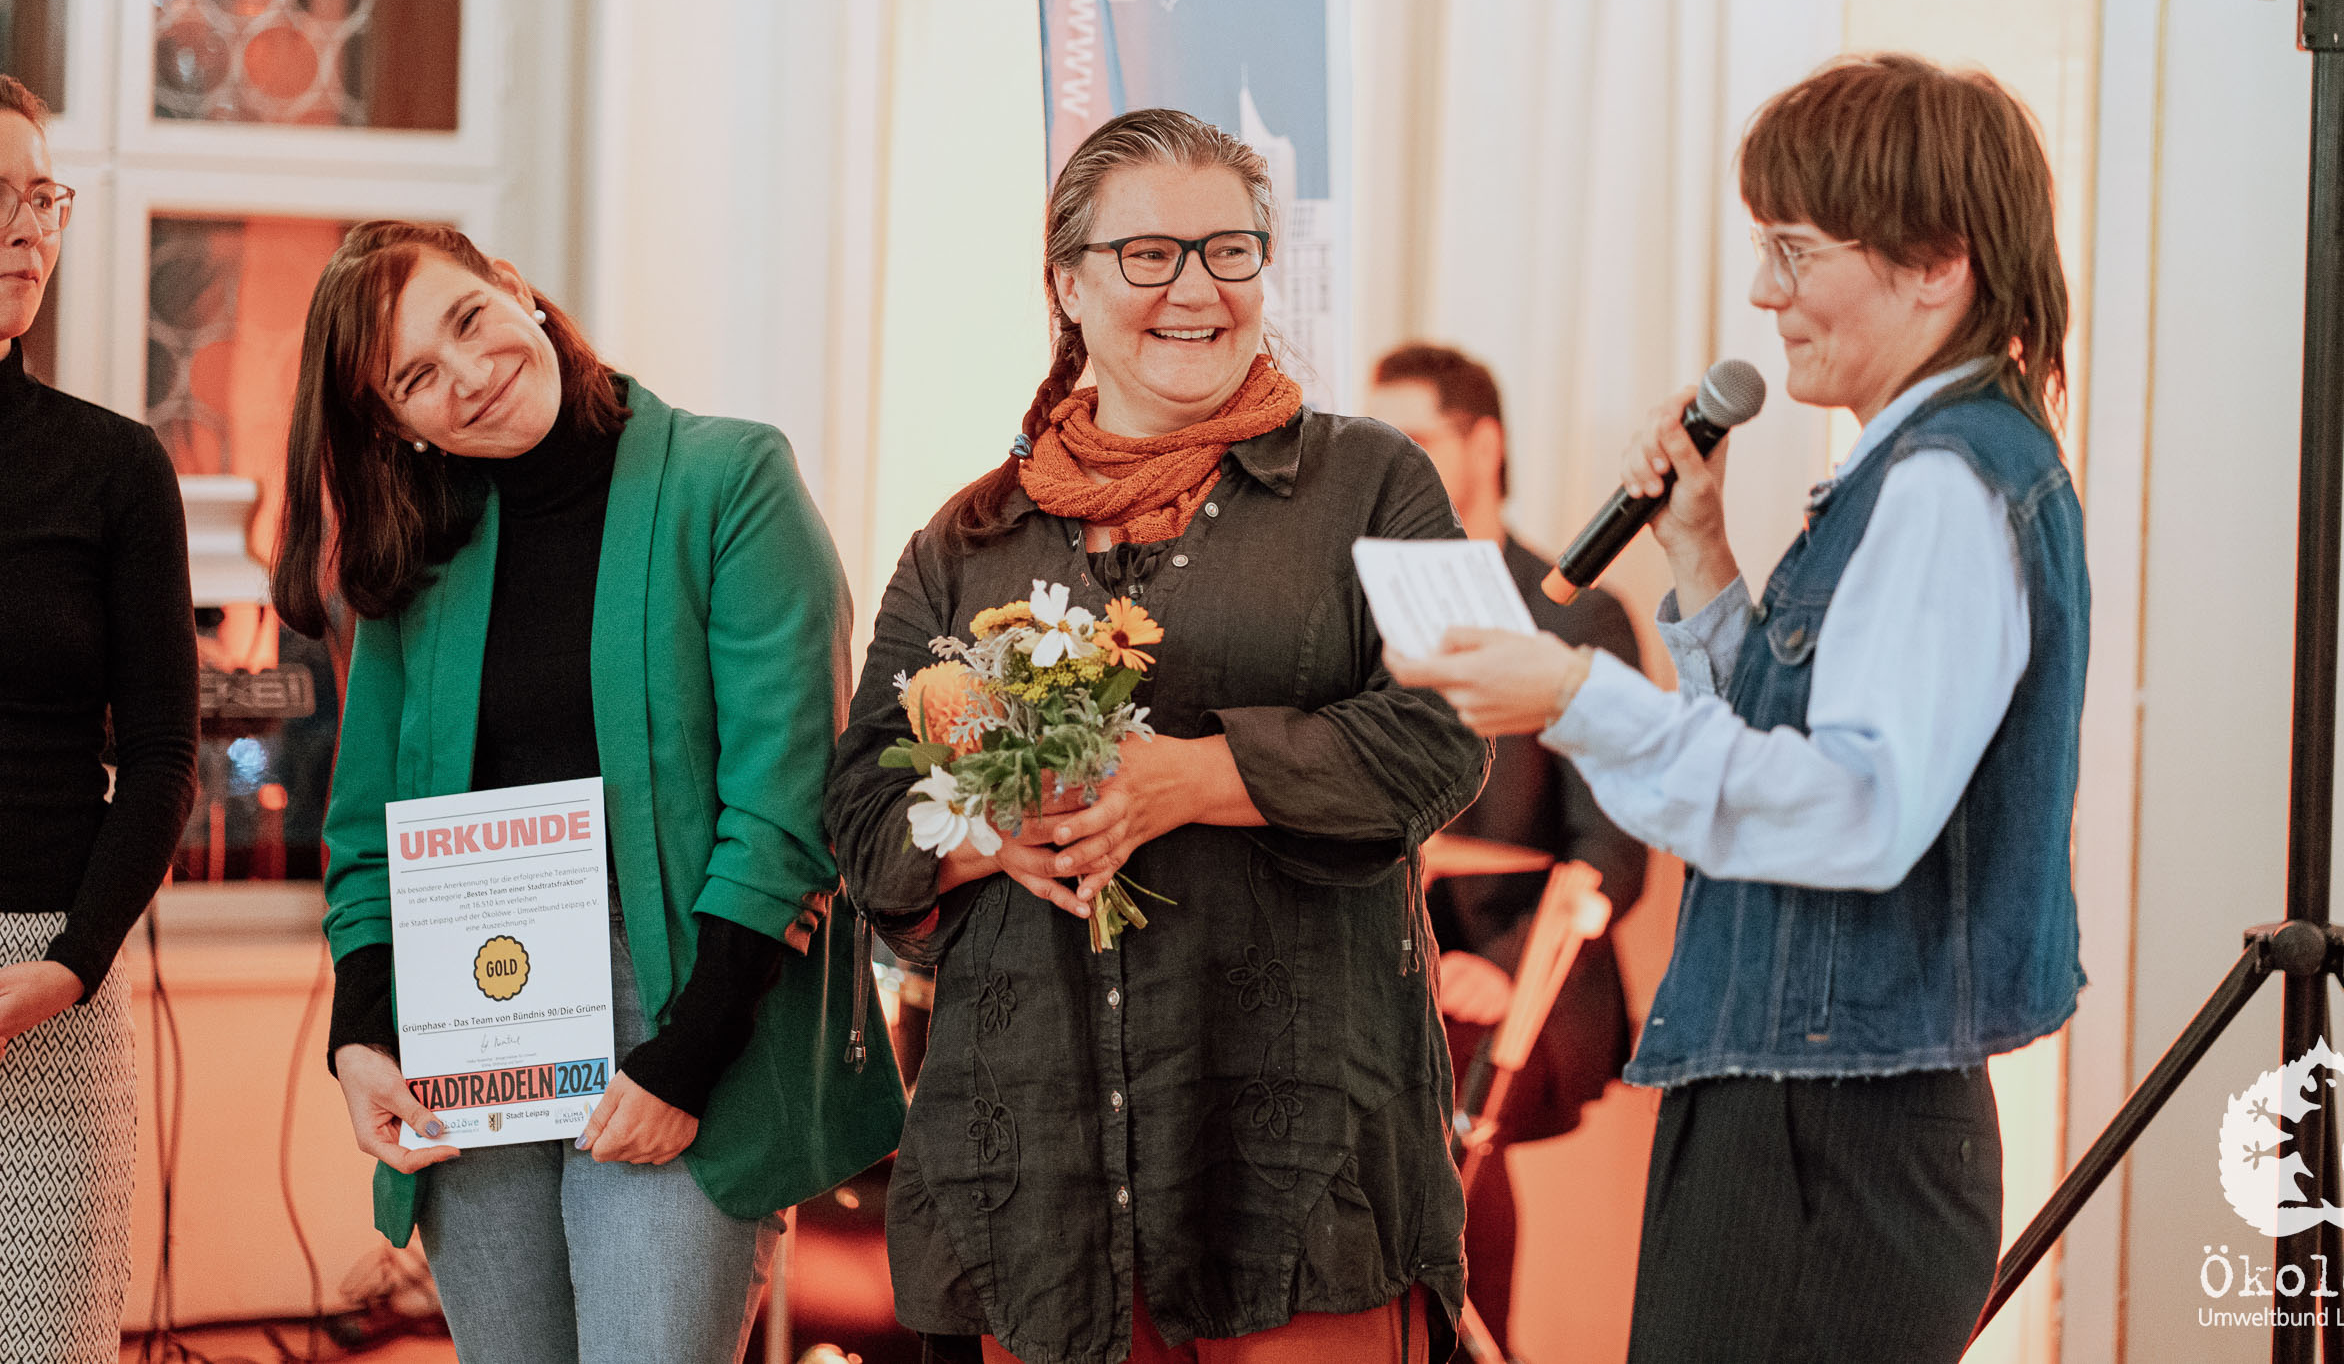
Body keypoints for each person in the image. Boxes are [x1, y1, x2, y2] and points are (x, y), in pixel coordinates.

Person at [1388, 54, 2085, 1364]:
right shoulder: (1914, 469)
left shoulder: (1943, 487)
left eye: (1794, 250)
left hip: (1834, 1129)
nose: (1763, 291)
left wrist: (1577, 692)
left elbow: (1855, 810)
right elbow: (1782, 761)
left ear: (1937, 262)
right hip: (1802, 1104)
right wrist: (1702, 559)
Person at [826, 109, 1490, 1364]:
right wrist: (992, 836)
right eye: (1149, 255)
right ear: (1069, 284)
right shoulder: (961, 539)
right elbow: (862, 812)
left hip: (1300, 1164)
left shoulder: (1383, 480)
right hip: (1038, 1181)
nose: (1196, 288)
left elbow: (1456, 724)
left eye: (1229, 250)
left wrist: (1192, 776)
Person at [274, 222, 904, 1363]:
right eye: (416, 377)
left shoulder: (729, 479)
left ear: (514, 287)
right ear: (395, 424)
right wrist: (360, 1035)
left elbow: (787, 802)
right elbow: (366, 829)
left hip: (678, 1014)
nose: (469, 374)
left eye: (468, 318)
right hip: (470, 1024)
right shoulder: (420, 550)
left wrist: (687, 1055)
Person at [1365, 342, 1648, 1351]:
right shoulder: (1360, 609)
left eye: (1415, 440)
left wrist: (1507, 964)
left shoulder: (1575, 613)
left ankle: (1475, 1343)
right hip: (1390, 959)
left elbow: (1614, 849)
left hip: (1534, 968)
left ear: (1483, 443)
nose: (1392, 465)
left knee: (1434, 1097)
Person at [0, 75, 197, 1363]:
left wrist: (71, 962)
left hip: (49, 984)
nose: (29, 231)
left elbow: (167, 755)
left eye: (43, 197)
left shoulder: (117, 466)